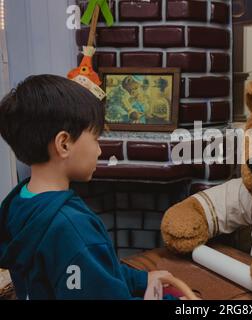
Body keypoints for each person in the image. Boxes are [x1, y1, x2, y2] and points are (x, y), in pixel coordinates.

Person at [0, 75, 171, 299]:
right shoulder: (73, 228)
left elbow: (96, 273)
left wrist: (141, 279)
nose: (100, 151)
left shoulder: (20, 201)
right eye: (96, 139)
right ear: (64, 144)